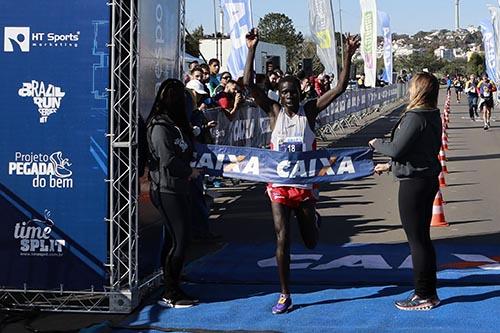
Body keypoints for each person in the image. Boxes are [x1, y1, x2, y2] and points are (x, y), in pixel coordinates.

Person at [243, 28, 360, 314]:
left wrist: (348, 55)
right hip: (279, 187)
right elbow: (248, 84)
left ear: (300, 93)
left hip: (304, 188)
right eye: (285, 93)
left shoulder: (309, 111)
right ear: (279, 96)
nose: (290, 97)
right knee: (282, 238)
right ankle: (285, 294)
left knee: (310, 242)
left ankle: (314, 219)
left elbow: (340, 88)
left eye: (294, 92)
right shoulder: (274, 112)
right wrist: (251, 49)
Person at [368, 72, 442, 311]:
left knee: (417, 240)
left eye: (412, 86)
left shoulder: (415, 117)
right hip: (427, 179)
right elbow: (416, 150)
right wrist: (389, 166)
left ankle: (424, 294)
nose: (409, 90)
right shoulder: (432, 115)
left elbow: (397, 149)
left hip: (414, 184)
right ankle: (427, 291)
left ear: (418, 90)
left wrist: (376, 143)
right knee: (422, 239)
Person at [146, 79, 201, 308]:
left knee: (175, 238)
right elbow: (168, 160)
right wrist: (190, 171)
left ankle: (173, 280)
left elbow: (185, 146)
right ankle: (170, 291)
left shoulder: (174, 123)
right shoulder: (159, 127)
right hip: (166, 189)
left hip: (179, 188)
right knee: (180, 239)